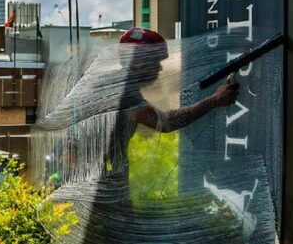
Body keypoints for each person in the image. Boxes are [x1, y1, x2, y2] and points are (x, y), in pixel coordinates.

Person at [42, 27, 240, 243]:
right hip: (90, 191)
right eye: (155, 60)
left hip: (93, 186)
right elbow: (166, 122)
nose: (159, 67)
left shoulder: (108, 83)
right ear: (137, 61)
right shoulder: (121, 92)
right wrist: (215, 100)